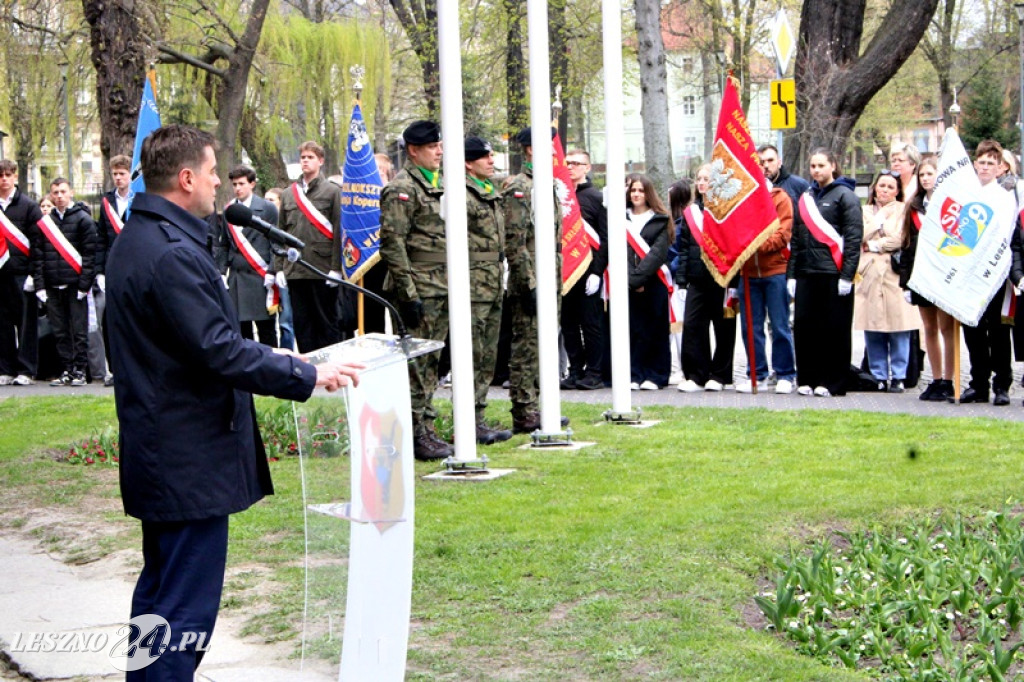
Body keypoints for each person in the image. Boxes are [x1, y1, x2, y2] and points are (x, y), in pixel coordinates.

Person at [105, 124, 361, 678]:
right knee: (181, 611)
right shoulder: (169, 252)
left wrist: (284, 360)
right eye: (211, 172)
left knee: (161, 599)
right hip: (185, 455)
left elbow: (199, 343)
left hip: (168, 449)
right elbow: (218, 350)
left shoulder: (142, 237)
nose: (219, 182)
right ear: (186, 178)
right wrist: (305, 372)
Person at [379, 120, 453, 460]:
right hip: (418, 286)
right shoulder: (401, 188)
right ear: (413, 150)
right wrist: (408, 294)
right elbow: (393, 244)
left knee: (432, 361)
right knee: (416, 365)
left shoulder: (438, 183)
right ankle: (414, 432)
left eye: (440, 146)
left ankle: (426, 427)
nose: (439, 152)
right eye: (432, 146)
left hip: (440, 284)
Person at [502, 127, 565, 433]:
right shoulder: (520, 186)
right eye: (546, 145)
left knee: (545, 342)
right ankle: (524, 409)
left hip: (550, 271)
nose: (553, 152)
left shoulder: (545, 183)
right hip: (531, 276)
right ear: (529, 149)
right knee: (527, 345)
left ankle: (538, 405)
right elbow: (515, 240)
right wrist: (529, 283)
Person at [786, 148, 862, 397]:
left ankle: (833, 382)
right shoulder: (806, 197)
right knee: (806, 328)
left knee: (834, 330)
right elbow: (796, 238)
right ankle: (808, 378)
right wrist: (792, 274)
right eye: (813, 166)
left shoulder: (846, 196)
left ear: (833, 166)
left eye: (821, 165)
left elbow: (853, 239)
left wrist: (847, 275)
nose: (816, 170)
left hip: (833, 273)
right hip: (807, 272)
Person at [961, 139, 1024, 405]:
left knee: (998, 331)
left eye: (991, 163)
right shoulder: (967, 194)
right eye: (982, 162)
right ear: (975, 164)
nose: (986, 167)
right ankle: (978, 383)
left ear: (1000, 167)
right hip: (970, 273)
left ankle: (1002, 384)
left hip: (996, 272)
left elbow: (1008, 234)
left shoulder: (1006, 197)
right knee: (973, 330)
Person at [461, 136, 512, 443]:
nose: (491, 161)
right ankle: (467, 418)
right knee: (473, 351)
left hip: (492, 279)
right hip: (472, 281)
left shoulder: (489, 190)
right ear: (468, 162)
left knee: (488, 353)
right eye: (485, 156)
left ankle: (478, 416)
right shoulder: (461, 192)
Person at [277, 141, 345, 352]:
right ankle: (309, 367)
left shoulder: (332, 191)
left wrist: (336, 268)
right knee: (302, 326)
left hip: (322, 268)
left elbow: (339, 230)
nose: (305, 161)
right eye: (303, 157)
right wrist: (278, 267)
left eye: (310, 157)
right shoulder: (288, 194)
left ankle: (331, 366)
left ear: (321, 161)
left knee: (326, 325)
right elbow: (280, 233)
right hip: (295, 270)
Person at [855, 169, 918, 392]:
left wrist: (874, 244)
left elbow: (899, 238)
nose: (885, 190)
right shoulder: (864, 210)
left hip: (893, 273)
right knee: (872, 326)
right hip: (869, 272)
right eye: (882, 185)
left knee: (899, 326)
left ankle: (899, 375)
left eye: (891, 187)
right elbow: (859, 234)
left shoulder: (903, 210)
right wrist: (878, 224)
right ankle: (878, 374)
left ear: (897, 191)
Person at [676, 164, 737, 392]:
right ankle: (696, 375)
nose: (702, 183)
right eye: (699, 179)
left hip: (722, 279)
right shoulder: (691, 212)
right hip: (697, 278)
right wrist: (682, 281)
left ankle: (720, 375)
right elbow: (684, 249)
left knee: (724, 327)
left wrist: (735, 282)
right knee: (693, 326)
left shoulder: (727, 210)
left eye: (707, 179)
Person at [736, 166, 796, 394]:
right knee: (750, 328)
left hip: (775, 271)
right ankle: (757, 374)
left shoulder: (780, 198)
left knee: (780, 326)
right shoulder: (740, 202)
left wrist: (754, 245)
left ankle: (785, 374)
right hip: (748, 273)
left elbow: (783, 234)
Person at [32, 177, 97, 386]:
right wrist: (40, 286)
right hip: (52, 285)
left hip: (75, 284)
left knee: (79, 330)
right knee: (59, 331)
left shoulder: (83, 219)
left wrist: (84, 284)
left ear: (71, 192)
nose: (59, 196)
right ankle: (67, 369)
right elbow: (38, 256)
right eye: (55, 192)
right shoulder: (45, 223)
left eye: (62, 191)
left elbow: (90, 255)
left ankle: (80, 370)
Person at [899, 156, 954, 401]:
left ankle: (950, 380)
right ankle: (937, 378)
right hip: (921, 275)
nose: (925, 178)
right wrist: (905, 282)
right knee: (929, 328)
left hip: (944, 275)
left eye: (930, 174)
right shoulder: (914, 206)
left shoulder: (950, 206)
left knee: (946, 328)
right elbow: (906, 245)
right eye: (922, 175)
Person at [216, 165, 280, 347]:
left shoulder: (267, 208)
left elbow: (276, 243)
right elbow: (224, 244)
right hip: (237, 278)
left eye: (242, 184)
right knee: (242, 332)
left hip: (260, 276)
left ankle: (271, 362)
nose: (237, 188)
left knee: (266, 330)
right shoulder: (229, 210)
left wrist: (273, 270)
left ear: (252, 184)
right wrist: (221, 271)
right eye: (234, 184)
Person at [560, 149, 608, 390]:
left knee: (591, 324)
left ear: (587, 168)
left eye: (576, 163)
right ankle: (575, 370)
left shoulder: (597, 198)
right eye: (567, 163)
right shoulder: (560, 197)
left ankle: (594, 372)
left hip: (589, 271)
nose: (570, 167)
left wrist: (597, 272)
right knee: (568, 324)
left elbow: (605, 238)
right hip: (565, 270)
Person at [625, 173, 672, 389]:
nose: (636, 194)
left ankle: (656, 375)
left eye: (641, 191)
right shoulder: (620, 218)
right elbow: (621, 251)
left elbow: (657, 253)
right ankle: (635, 374)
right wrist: (632, 280)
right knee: (634, 330)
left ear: (648, 194)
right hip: (628, 283)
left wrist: (640, 278)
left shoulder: (661, 219)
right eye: (633, 190)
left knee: (655, 330)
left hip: (654, 282)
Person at [0, 159, 43, 386]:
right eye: (0, 176)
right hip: (1, 275)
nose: (4, 180)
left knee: (26, 324)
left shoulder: (29, 206)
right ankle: (5, 368)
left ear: (15, 176)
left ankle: (26, 370)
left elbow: (38, 243)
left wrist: (34, 275)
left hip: (22, 274)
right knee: (2, 324)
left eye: (8, 175)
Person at [264, 188, 296, 350]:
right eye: (265, 200)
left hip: (288, 273)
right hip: (270, 274)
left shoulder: (288, 221)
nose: (267, 203)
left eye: (271, 200)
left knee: (287, 320)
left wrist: (278, 269)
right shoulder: (265, 222)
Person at [758, 144, 810, 210]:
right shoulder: (753, 189)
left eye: (770, 160)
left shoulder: (799, 185)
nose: (766, 165)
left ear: (779, 163)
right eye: (761, 162)